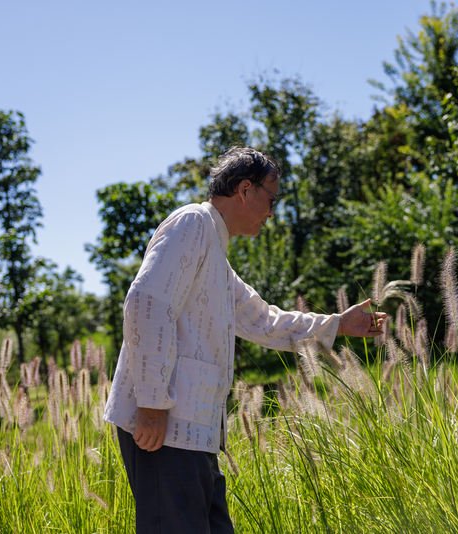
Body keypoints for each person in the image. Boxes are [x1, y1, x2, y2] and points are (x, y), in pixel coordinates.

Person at [103, 146, 387, 533]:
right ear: (245, 190)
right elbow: (146, 303)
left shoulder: (215, 256)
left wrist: (337, 324)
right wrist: (151, 403)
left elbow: (263, 320)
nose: (272, 212)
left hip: (194, 436)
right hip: (164, 431)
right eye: (271, 199)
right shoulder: (193, 223)